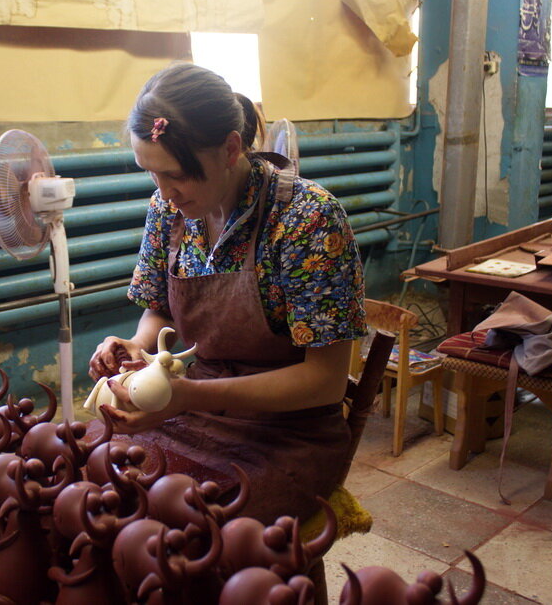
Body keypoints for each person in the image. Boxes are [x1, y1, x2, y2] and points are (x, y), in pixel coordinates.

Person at [88, 63, 367, 524]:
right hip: (196, 402)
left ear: (230, 149)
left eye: (176, 175)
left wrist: (185, 398)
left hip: (288, 431)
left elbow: (324, 383)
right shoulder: (167, 210)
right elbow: (159, 309)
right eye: (151, 174)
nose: (164, 191)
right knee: (102, 479)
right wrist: (139, 348)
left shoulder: (305, 219)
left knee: (198, 526)